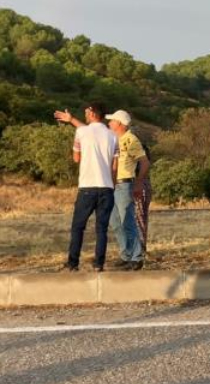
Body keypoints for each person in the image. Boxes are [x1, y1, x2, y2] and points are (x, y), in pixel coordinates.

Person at [54, 104, 118, 271]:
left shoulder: (81, 132)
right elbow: (114, 165)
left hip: (87, 187)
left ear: (91, 113)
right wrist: (113, 184)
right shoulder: (113, 136)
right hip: (107, 187)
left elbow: (76, 158)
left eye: (86, 113)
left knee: (78, 227)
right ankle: (99, 264)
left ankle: (73, 263)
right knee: (101, 228)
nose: (85, 115)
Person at [106, 110, 147, 270]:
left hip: (124, 184)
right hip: (112, 185)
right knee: (115, 222)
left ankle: (136, 257)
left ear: (120, 124)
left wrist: (138, 183)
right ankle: (126, 254)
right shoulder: (113, 140)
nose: (109, 123)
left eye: (112, 121)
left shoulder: (130, 140)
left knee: (127, 221)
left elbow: (144, 162)